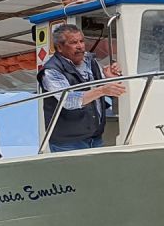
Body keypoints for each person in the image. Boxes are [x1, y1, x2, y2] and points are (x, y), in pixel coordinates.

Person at [38, 24, 124, 152]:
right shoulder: (51, 71)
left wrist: (110, 77)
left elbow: (106, 87)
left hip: (96, 137)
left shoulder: (90, 61)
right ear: (60, 47)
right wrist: (102, 90)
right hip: (67, 143)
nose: (80, 46)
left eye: (82, 41)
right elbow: (68, 100)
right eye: (74, 42)